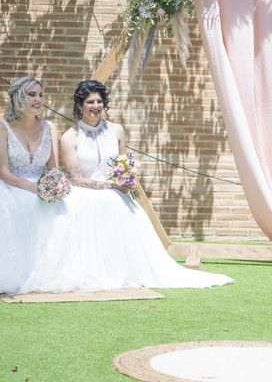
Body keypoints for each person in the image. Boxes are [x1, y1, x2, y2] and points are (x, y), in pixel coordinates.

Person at [7, 79, 232, 294]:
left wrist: (127, 179)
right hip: (87, 192)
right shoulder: (69, 136)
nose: (96, 106)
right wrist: (110, 185)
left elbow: (124, 164)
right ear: (80, 106)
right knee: (100, 202)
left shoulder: (117, 131)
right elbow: (74, 179)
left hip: (117, 191)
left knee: (125, 207)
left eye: (99, 101)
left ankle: (129, 269)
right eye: (90, 102)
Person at [0, 76, 66, 295]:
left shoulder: (50, 127)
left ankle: (52, 268)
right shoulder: (3, 127)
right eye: (31, 95)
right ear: (18, 97)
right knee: (23, 204)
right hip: (12, 186)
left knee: (70, 206)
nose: (38, 100)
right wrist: (32, 188)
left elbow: (53, 168)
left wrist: (55, 186)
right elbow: (3, 172)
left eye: (40, 95)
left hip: (42, 187)